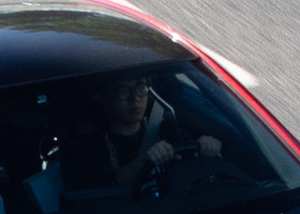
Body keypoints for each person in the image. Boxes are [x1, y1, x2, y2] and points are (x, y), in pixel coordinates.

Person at [62, 75, 220, 194]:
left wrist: (207, 147)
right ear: (103, 98)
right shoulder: (88, 147)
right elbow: (96, 192)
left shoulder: (167, 131)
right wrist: (145, 161)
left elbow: (193, 160)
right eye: (123, 91)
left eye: (140, 88)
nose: (135, 98)